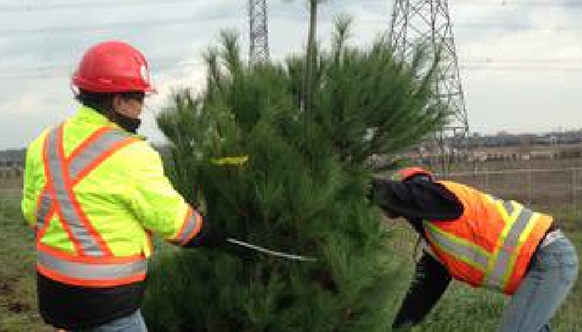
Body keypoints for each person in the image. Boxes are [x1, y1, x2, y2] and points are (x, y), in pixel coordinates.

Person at [21, 40, 232, 331]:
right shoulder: (131, 154)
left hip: (56, 298)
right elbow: (173, 222)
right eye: (139, 99)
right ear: (119, 101)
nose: (141, 109)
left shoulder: (43, 143)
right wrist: (210, 233)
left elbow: (33, 212)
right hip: (109, 307)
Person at [369, 167, 579, 332]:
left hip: (548, 259)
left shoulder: (442, 197)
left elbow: (407, 195)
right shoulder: (437, 243)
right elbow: (421, 298)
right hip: (541, 265)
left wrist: (352, 181)